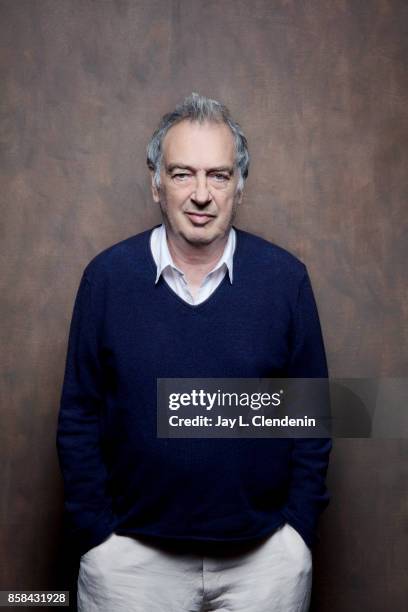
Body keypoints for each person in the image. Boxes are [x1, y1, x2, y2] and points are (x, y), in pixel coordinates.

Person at [56, 93, 331, 612]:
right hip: (130, 565)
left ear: (239, 187)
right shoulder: (106, 280)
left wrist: (297, 533)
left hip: (264, 565)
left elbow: (312, 418)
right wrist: (96, 536)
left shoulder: (285, 281)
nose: (201, 194)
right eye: (183, 174)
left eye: (219, 175)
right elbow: (78, 418)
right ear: (155, 183)